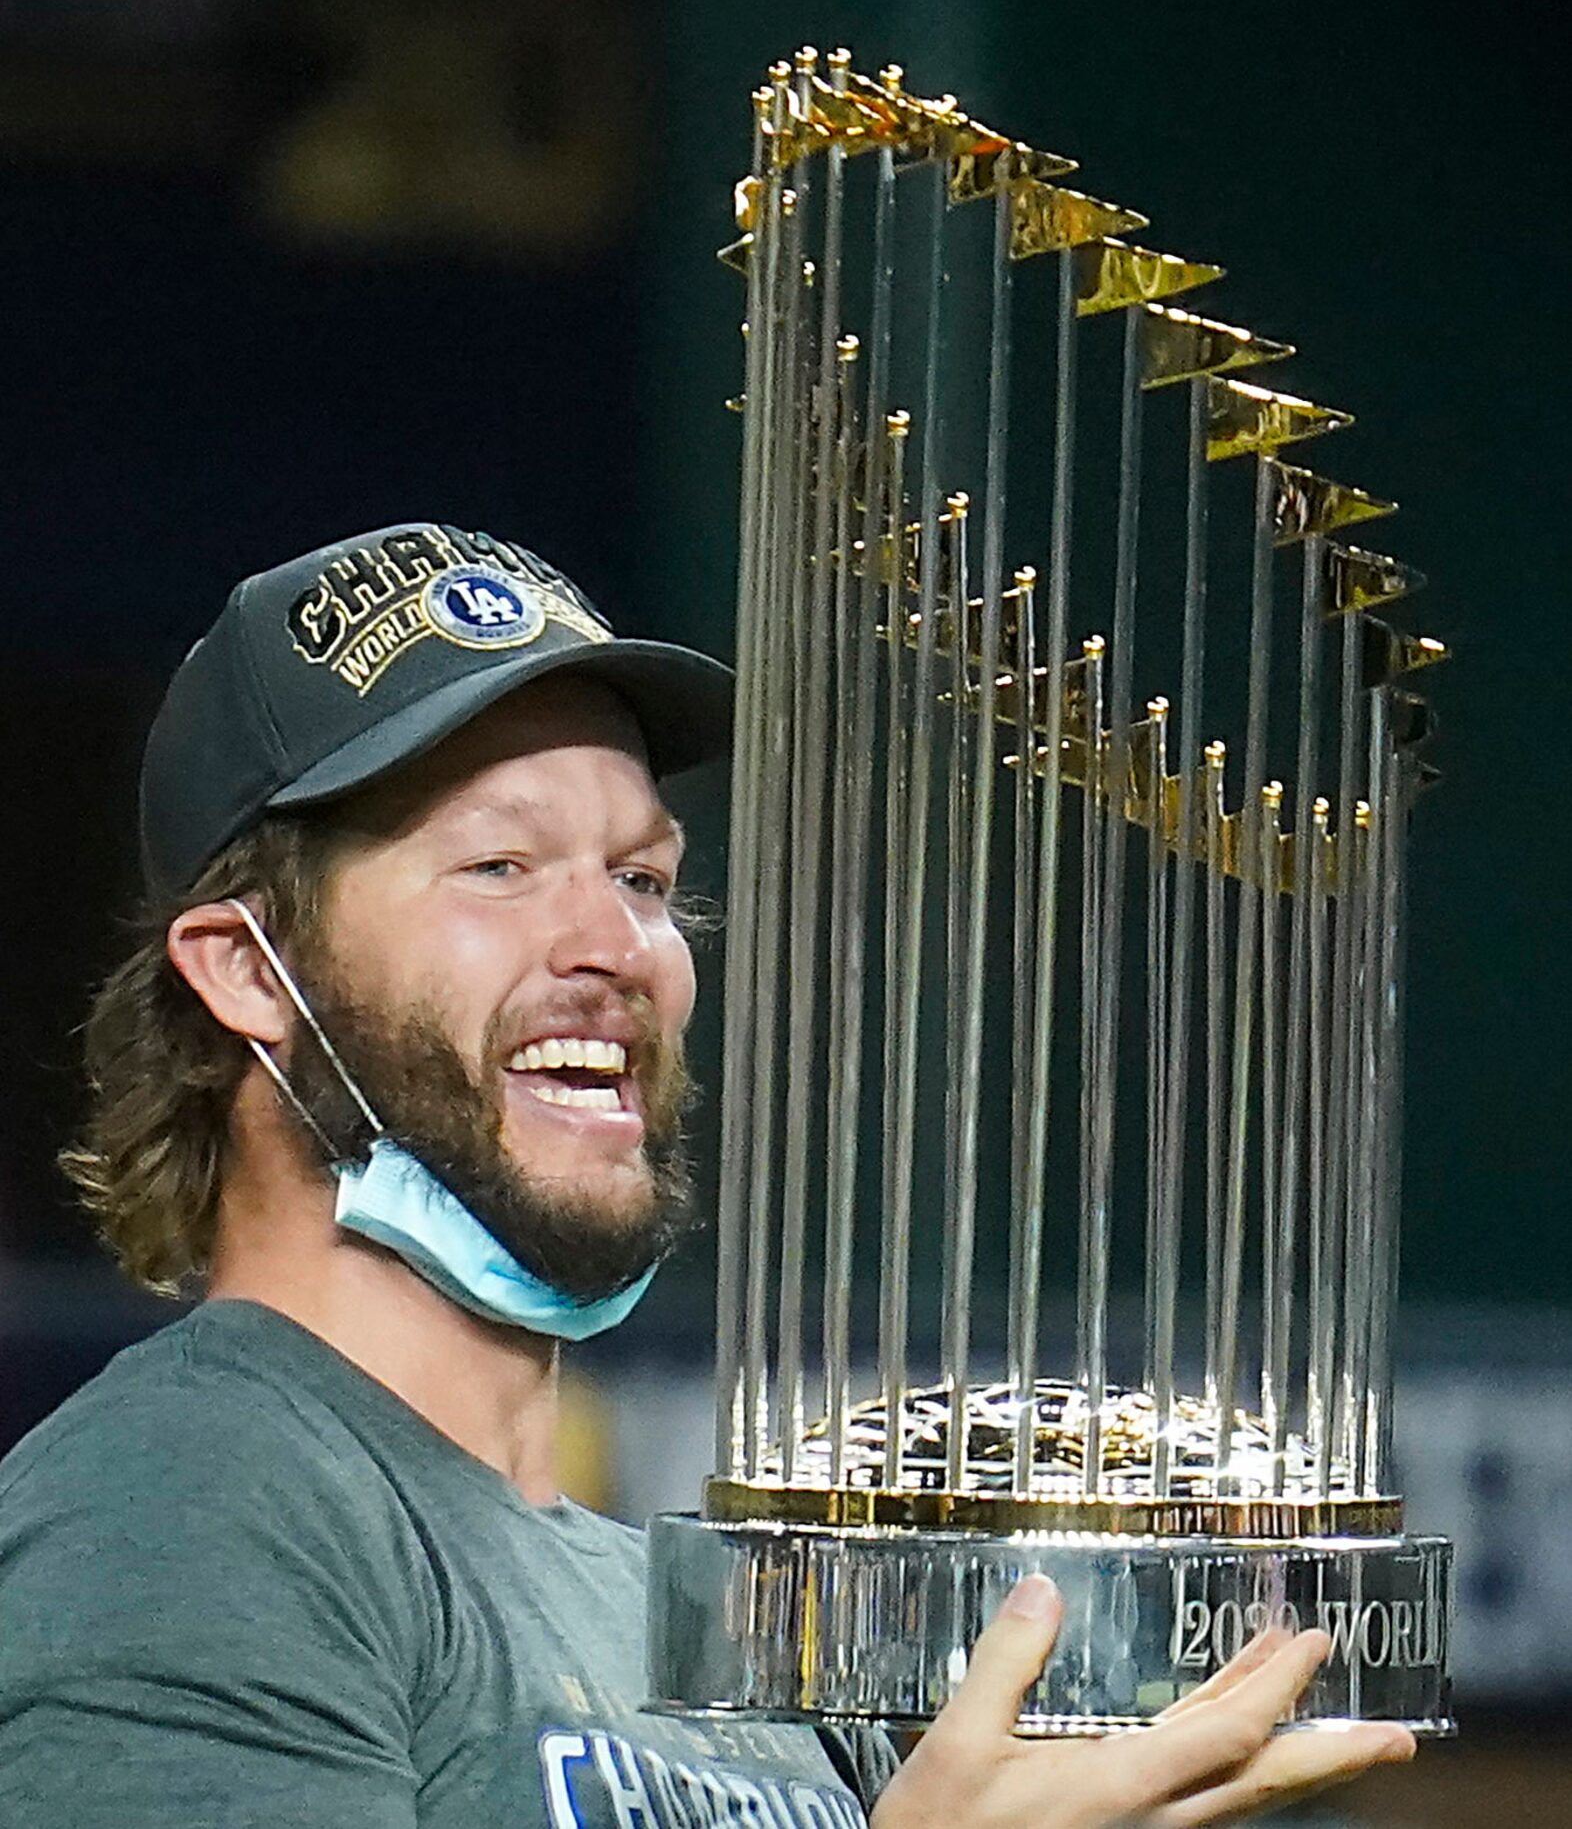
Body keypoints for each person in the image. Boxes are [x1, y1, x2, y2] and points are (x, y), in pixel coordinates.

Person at [0, 523, 1414, 1826]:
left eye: (644, 877)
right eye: (498, 864)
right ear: (249, 968)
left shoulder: (695, 1626)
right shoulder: (178, 1509)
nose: (614, 942)